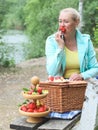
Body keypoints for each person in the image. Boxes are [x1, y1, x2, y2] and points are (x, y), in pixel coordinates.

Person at [45, 7, 98, 81]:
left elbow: (95, 68)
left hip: (82, 83)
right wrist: (60, 48)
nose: (62, 25)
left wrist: (82, 76)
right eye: (60, 21)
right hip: (61, 85)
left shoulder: (86, 41)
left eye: (66, 22)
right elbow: (52, 71)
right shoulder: (51, 41)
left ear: (76, 22)